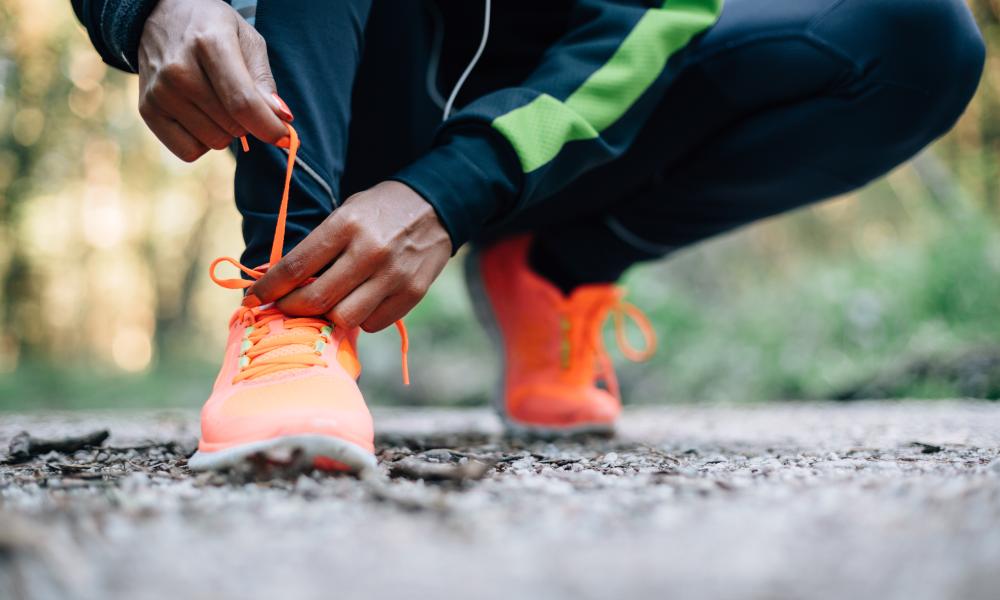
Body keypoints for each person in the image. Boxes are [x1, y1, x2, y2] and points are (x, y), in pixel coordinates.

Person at [71, 0, 985, 472]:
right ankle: (293, 303)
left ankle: (552, 266)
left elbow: (649, 19)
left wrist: (452, 192)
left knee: (915, 39)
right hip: (333, 88)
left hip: (553, 124)